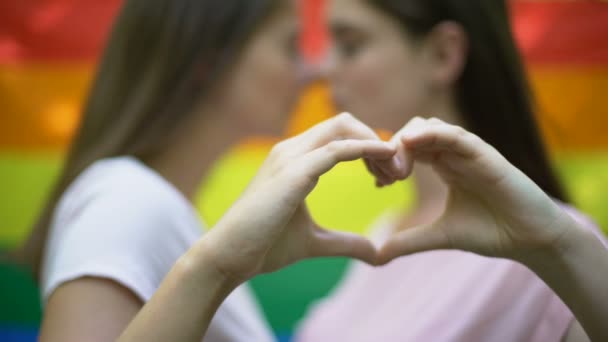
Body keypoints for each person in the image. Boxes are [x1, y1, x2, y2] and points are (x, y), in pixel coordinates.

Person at [17, 0, 399, 340]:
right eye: (290, 45)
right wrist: (216, 269)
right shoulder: (126, 202)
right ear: (209, 62)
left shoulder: (148, 202)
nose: (313, 71)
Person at [295, 0, 608, 341]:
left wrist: (563, 248)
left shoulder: (553, 246)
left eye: (350, 45)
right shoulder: (383, 231)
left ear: (442, 54)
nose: (322, 67)